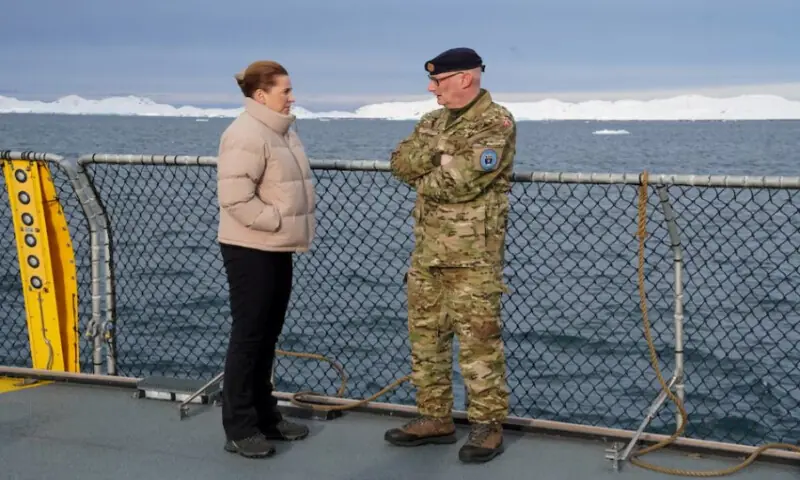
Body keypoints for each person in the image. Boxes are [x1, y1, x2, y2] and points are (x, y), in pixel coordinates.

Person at [385, 47, 516, 464]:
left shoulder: (496, 122)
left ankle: (486, 427)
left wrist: (433, 168)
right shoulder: (433, 121)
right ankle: (434, 417)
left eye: (438, 81)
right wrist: (438, 156)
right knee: (426, 343)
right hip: (427, 255)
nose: (431, 88)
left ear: (465, 78)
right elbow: (399, 163)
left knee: (479, 347)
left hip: (473, 258)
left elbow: (461, 181)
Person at [216, 60, 316, 458]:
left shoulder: (280, 130)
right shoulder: (245, 134)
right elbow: (236, 197)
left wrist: (281, 229)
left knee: (267, 335)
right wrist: (275, 221)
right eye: (285, 91)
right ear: (261, 95)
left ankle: (265, 417)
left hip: (275, 246)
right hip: (251, 248)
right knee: (249, 336)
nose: (292, 97)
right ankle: (239, 427)